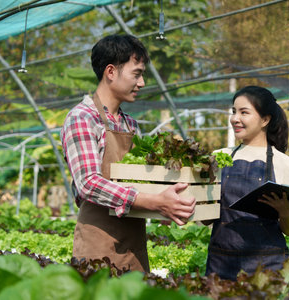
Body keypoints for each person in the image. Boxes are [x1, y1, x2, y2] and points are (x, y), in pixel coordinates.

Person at [61, 34, 195, 272]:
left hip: (133, 242)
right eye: (137, 73)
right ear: (111, 72)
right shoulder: (82, 118)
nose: (142, 82)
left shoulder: (130, 124)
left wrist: (173, 198)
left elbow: (139, 180)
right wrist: (153, 201)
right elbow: (89, 183)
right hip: (97, 243)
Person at [205, 86, 289, 280]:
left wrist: (283, 212)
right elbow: (206, 219)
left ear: (265, 120)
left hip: (267, 266)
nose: (234, 118)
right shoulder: (218, 158)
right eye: (233, 111)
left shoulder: (285, 164)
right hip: (221, 262)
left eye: (244, 112)